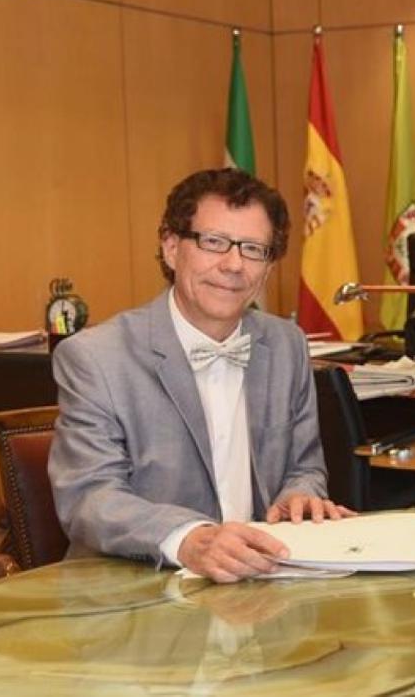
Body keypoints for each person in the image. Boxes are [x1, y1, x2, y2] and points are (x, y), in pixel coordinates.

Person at [50, 168, 350, 583]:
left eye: (253, 249)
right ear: (172, 248)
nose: (233, 265)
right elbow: (89, 498)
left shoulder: (287, 345)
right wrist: (190, 539)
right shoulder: (96, 357)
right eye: (213, 243)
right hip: (135, 598)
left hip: (261, 591)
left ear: (267, 267)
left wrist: (299, 495)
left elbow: (305, 465)